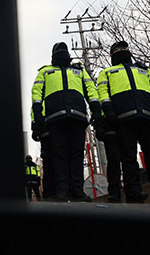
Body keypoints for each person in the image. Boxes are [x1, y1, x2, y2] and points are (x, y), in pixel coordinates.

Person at [96, 41, 150, 204]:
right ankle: (133, 192)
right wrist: (108, 109)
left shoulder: (144, 69)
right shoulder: (107, 73)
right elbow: (103, 92)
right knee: (128, 158)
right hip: (123, 119)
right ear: (112, 55)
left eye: (124, 49)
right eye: (118, 49)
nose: (122, 51)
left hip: (148, 116)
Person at [31, 42, 101, 202]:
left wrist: (95, 106)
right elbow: (36, 92)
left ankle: (77, 190)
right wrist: (37, 113)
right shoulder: (45, 72)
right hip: (55, 119)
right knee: (60, 155)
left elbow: (90, 89)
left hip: (77, 117)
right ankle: (62, 190)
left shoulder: (79, 70)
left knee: (75, 154)